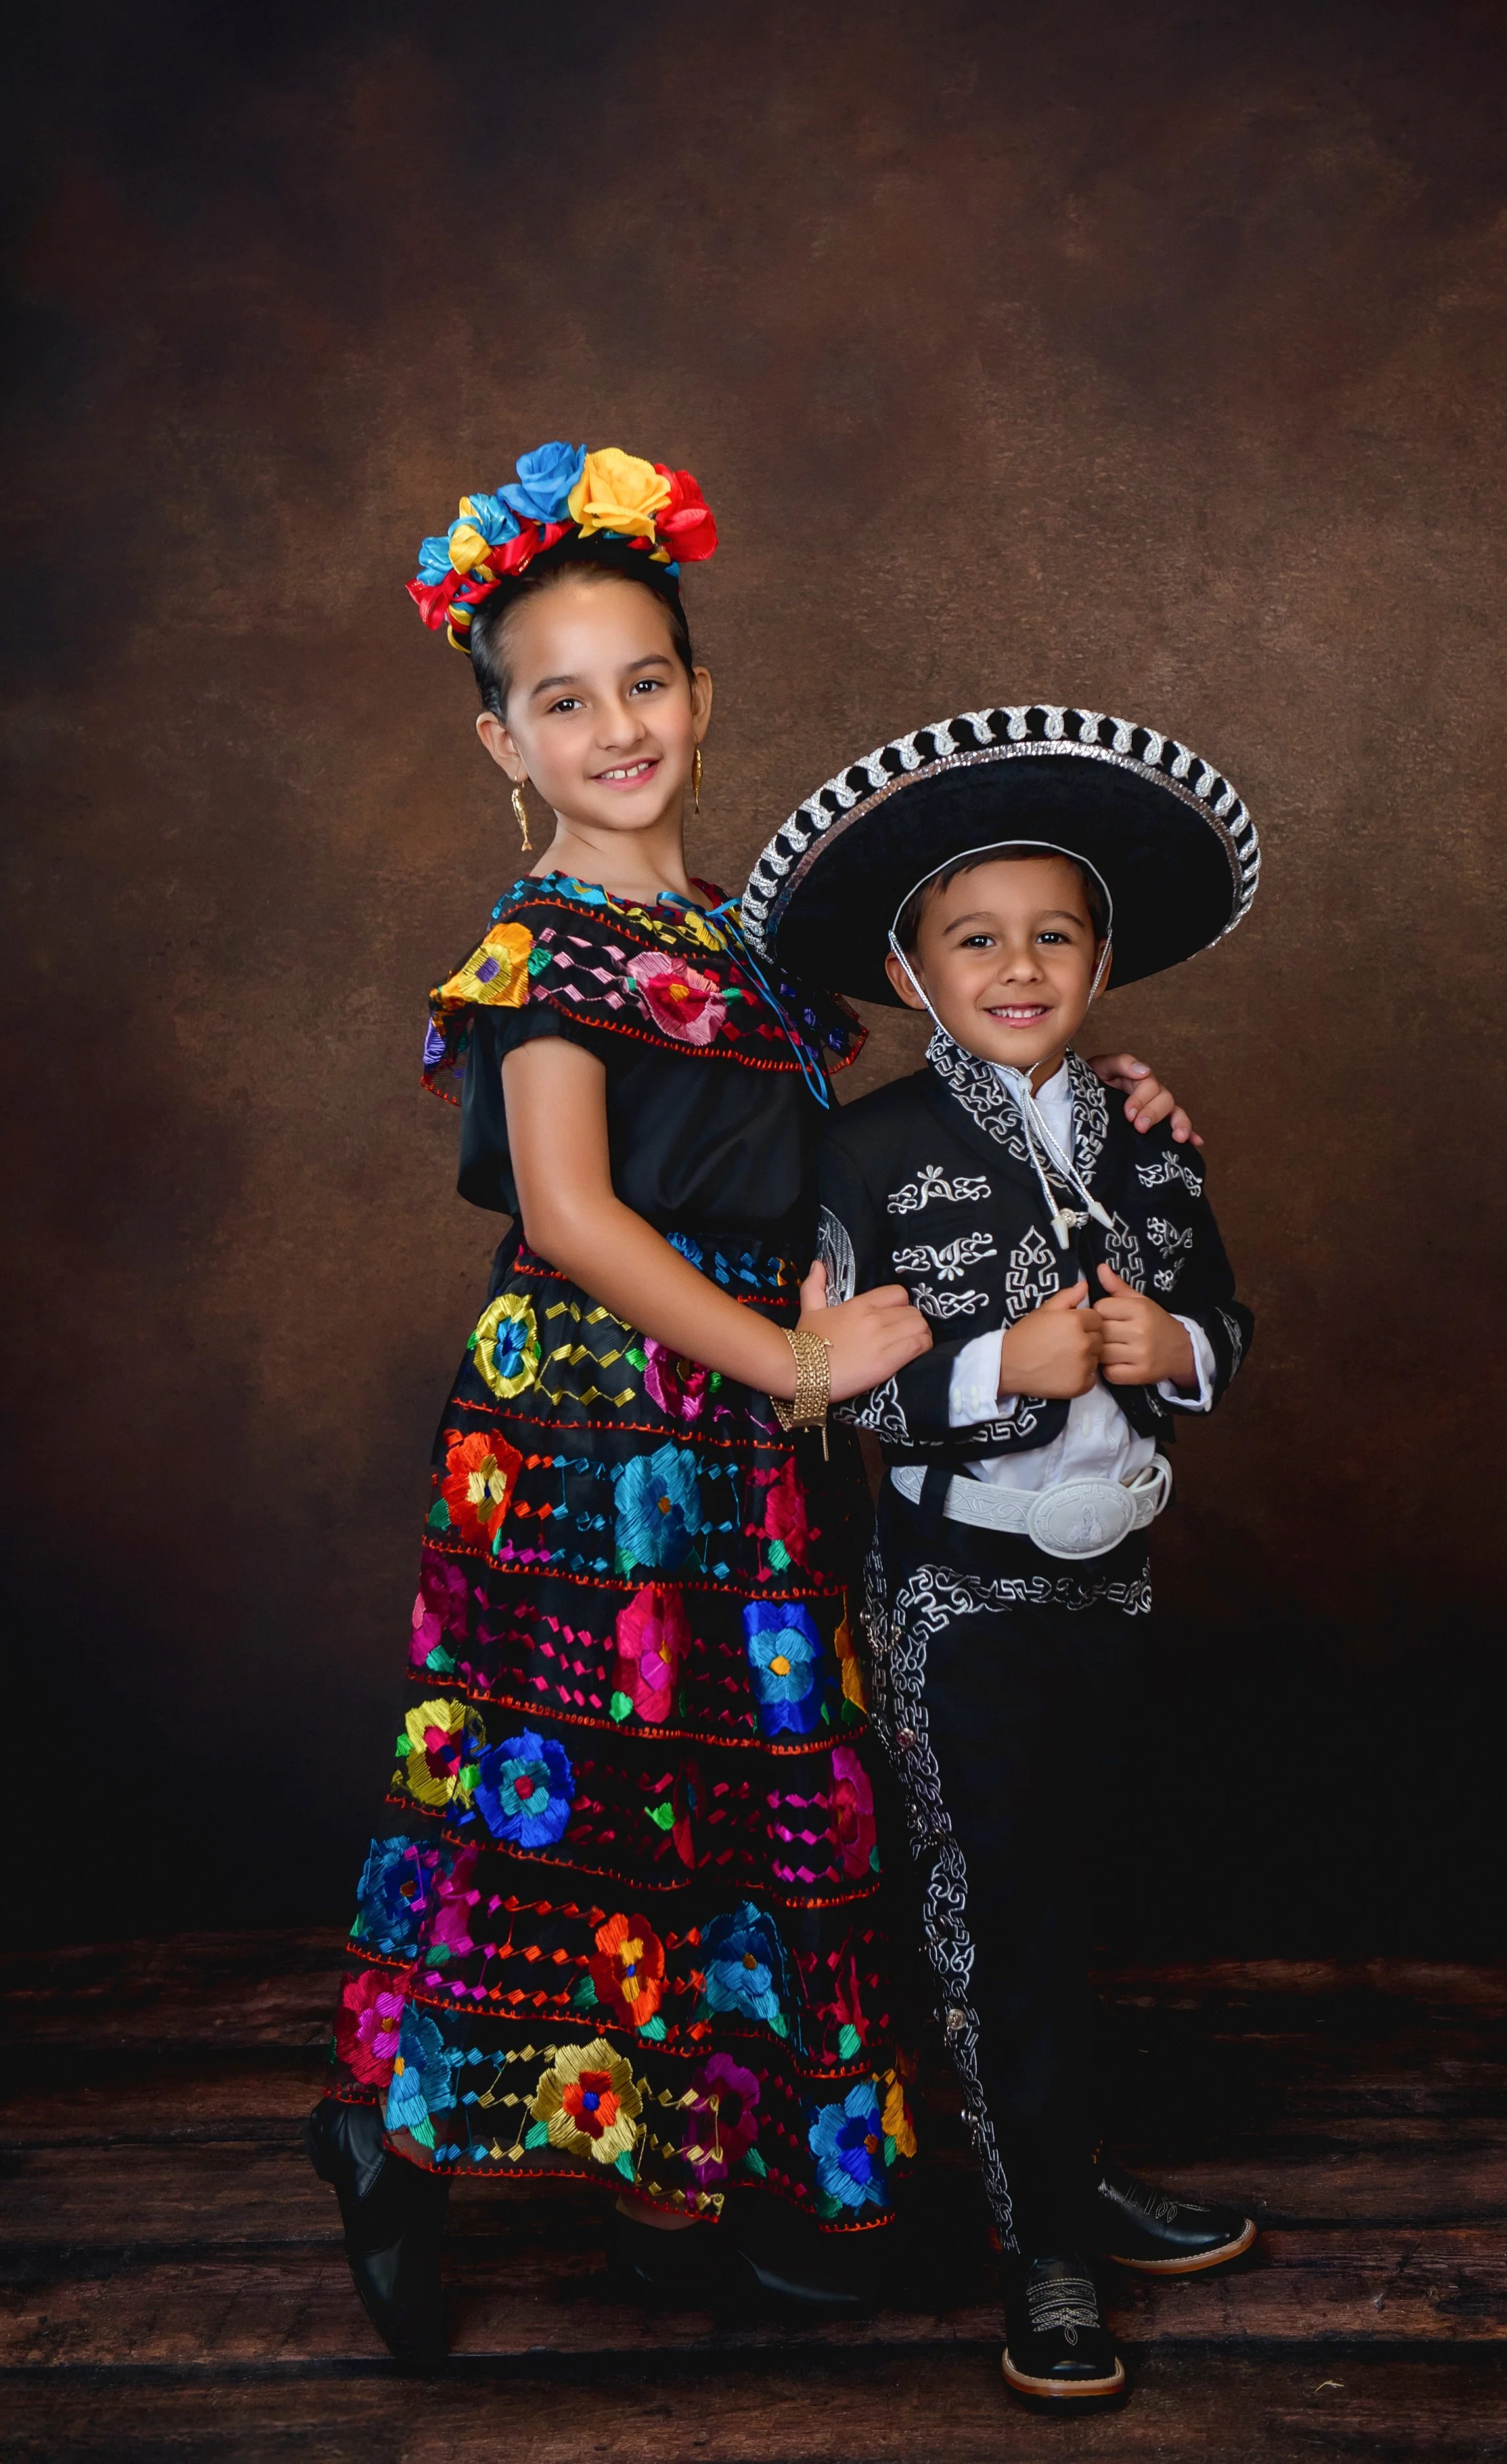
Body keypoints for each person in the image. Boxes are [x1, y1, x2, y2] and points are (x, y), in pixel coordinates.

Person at [304, 455, 1199, 2369]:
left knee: (732, 1796)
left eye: (644, 682)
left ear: (698, 701)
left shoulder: (747, 946)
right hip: (589, 1447)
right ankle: (395, 2131)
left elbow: (891, 1126)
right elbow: (569, 1212)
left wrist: (1105, 1110)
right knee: (572, 1808)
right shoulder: (540, 950)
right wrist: (787, 1359)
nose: (614, 726)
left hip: (742, 1450)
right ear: (502, 739)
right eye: (563, 698)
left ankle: (680, 2172)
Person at [738, 703, 1261, 2410]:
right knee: (992, 1915)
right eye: (976, 936)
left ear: (1101, 957)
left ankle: (1065, 2162)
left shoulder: (1146, 1131)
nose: (1017, 963)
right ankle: (1036, 2240)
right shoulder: (862, 1152)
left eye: (1054, 932)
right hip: (954, 1592)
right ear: (910, 963)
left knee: (1076, 1888)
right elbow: (814, 1393)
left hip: (1111, 1583)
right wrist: (995, 1369)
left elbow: (1228, 1336)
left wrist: (1157, 1343)